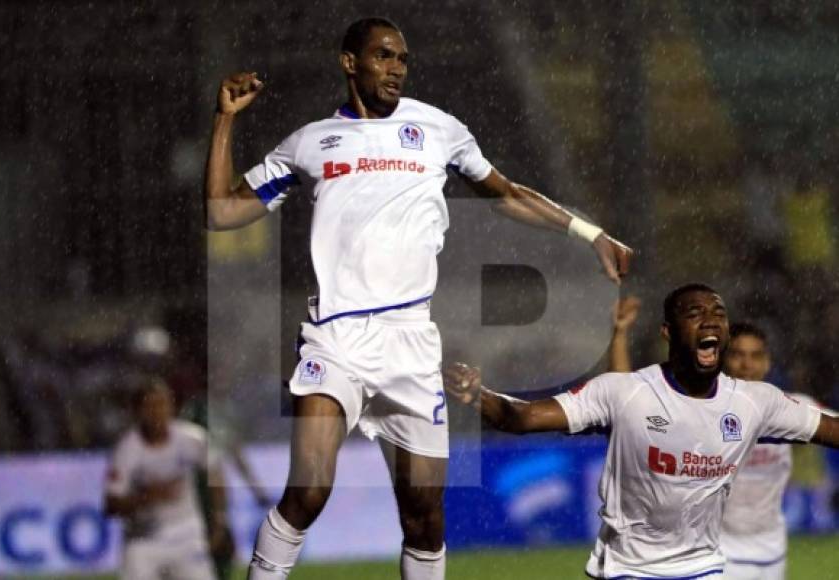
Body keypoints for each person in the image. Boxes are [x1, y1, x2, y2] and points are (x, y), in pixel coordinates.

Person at [204, 17, 632, 580]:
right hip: (335, 337)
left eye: (403, 59)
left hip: (410, 342)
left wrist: (589, 233)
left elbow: (507, 194)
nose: (397, 69)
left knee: (425, 517)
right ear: (349, 62)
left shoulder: (438, 129)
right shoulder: (309, 143)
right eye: (384, 56)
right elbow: (222, 211)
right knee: (307, 491)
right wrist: (225, 121)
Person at [444, 283, 839, 579]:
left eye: (718, 313)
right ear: (668, 331)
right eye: (694, 312)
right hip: (628, 569)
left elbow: (830, 429)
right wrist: (479, 395)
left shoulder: (756, 402)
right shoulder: (626, 392)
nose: (710, 319)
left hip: (706, 567)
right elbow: (523, 418)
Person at [720, 322, 835, 580]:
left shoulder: (788, 409)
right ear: (722, 359)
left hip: (772, 553)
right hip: (718, 555)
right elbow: (625, 408)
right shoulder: (702, 410)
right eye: (737, 354)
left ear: (767, 362)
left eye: (755, 355)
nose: (747, 364)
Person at [104, 378, 227, 580]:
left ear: (172, 406)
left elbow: (215, 472)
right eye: (149, 406)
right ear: (137, 411)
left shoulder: (192, 438)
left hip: (187, 535)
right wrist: (145, 497)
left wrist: (219, 519)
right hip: (143, 540)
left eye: (161, 404)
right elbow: (110, 505)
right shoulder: (126, 450)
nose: (156, 412)